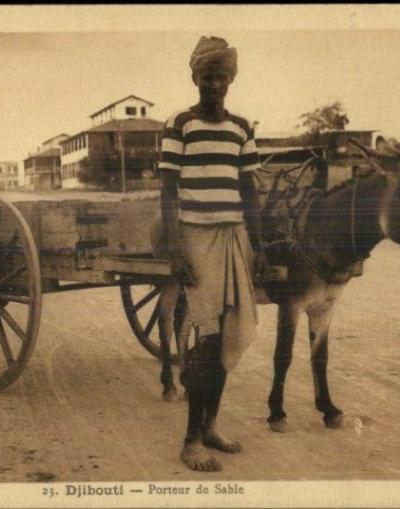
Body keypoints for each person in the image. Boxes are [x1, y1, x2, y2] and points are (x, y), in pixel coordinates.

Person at [158, 36, 267, 472]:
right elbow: (168, 189)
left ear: (232, 79)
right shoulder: (180, 123)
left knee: (229, 334)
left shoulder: (242, 128)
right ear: (194, 78)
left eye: (222, 76)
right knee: (205, 341)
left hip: (234, 237)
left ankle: (210, 426)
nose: (214, 83)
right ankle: (190, 442)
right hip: (196, 239)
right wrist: (174, 248)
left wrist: (256, 246)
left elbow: (249, 190)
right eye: (207, 76)